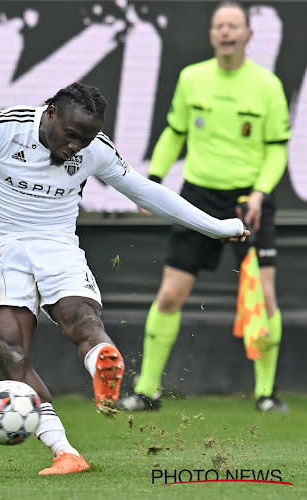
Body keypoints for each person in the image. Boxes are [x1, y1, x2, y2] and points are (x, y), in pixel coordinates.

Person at [0, 82, 248, 475]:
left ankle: (103, 362)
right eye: (71, 135)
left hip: (58, 245)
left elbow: (147, 192)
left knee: (81, 318)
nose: (77, 147)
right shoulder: (5, 126)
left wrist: (215, 226)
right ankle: (66, 452)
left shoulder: (95, 149)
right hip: (3, 248)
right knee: (7, 347)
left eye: (86, 138)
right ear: (50, 112)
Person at [117, 1, 291, 413]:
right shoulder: (191, 79)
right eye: (219, 26)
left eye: (234, 26)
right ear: (212, 35)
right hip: (199, 199)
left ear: (249, 34)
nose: (226, 32)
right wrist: (153, 181)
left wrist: (262, 192)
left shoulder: (267, 86)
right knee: (170, 294)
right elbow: (174, 133)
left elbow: (277, 150)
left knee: (264, 298)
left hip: (250, 199)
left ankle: (266, 394)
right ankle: (147, 391)